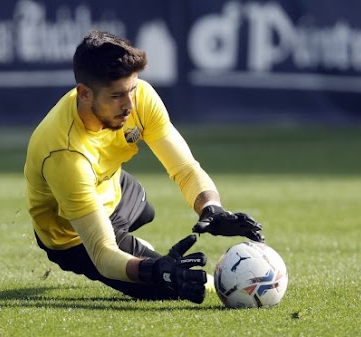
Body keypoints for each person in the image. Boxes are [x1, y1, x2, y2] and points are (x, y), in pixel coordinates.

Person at [24, 29, 263, 304]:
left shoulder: (140, 98)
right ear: (84, 94)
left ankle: (133, 242)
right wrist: (154, 269)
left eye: (132, 90)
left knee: (145, 208)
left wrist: (212, 208)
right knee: (171, 288)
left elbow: (184, 167)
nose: (129, 105)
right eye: (116, 96)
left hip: (115, 189)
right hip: (71, 234)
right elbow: (102, 255)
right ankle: (140, 252)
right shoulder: (65, 154)